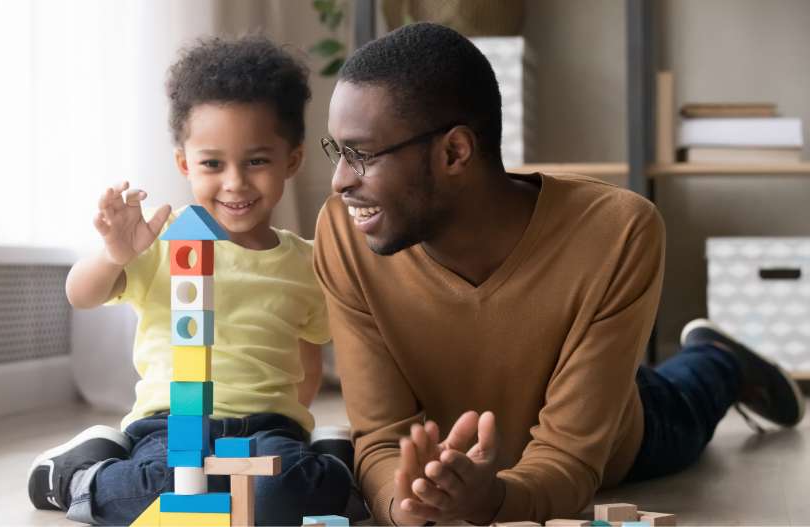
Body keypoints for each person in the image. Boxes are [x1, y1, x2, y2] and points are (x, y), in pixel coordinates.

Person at [313, 22, 805, 525]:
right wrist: (410, 504)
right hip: (473, 455)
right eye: (337, 151)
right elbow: (380, 437)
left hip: (613, 440)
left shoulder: (616, 231)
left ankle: (719, 359)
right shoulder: (344, 233)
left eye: (362, 155)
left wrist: (493, 500)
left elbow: (572, 459)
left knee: (685, 403)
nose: (339, 181)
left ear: (454, 152)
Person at [26, 35, 353, 526]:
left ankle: (329, 453)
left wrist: (295, 419)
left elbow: (311, 346)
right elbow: (81, 294)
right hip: (168, 426)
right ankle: (77, 474)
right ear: (185, 163)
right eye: (212, 163)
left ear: (292, 159)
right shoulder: (160, 242)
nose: (236, 182)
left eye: (257, 161)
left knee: (282, 497)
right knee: (150, 494)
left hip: (267, 427)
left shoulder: (304, 262)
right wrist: (115, 254)